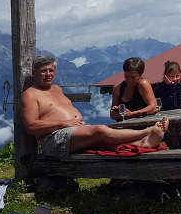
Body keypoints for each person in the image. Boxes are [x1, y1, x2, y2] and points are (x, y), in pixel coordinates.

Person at [21, 55, 165, 158]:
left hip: (75, 131)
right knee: (100, 130)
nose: (48, 74)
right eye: (43, 71)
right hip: (55, 139)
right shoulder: (30, 94)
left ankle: (142, 143)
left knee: (106, 142)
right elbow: (31, 127)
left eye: (51, 70)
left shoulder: (57, 89)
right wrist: (63, 123)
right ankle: (146, 132)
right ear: (34, 73)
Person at [153, 61, 181, 148]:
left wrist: (180, 86)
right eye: (172, 76)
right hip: (165, 123)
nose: (175, 79)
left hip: (180, 122)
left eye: (177, 76)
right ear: (166, 76)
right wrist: (171, 88)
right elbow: (171, 106)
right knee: (171, 139)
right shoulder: (159, 88)